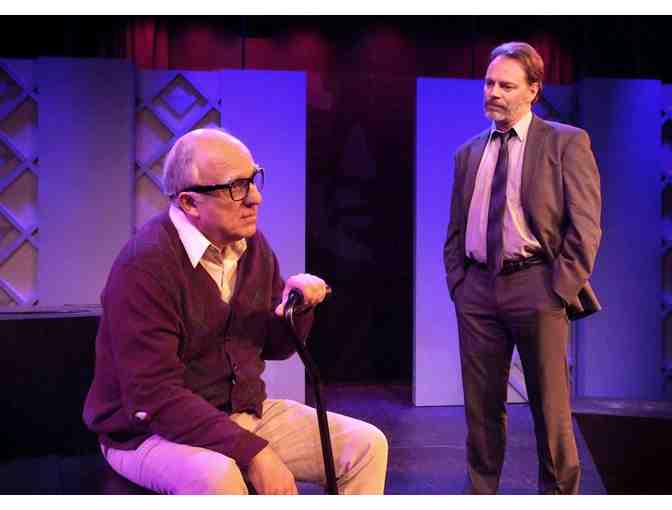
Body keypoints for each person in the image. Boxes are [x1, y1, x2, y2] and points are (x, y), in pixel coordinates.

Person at [83, 128, 388, 495]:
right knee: (220, 478)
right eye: (236, 187)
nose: (255, 198)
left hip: (241, 413)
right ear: (190, 203)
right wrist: (254, 453)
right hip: (148, 432)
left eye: (254, 180)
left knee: (366, 446)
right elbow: (153, 396)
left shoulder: (251, 247)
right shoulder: (145, 266)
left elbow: (274, 347)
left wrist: (298, 309)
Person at [443, 41, 602, 494]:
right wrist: (458, 281)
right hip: (477, 287)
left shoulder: (565, 142)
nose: (493, 92)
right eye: (489, 83)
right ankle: (481, 494)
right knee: (480, 409)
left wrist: (558, 288)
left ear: (533, 90)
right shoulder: (469, 153)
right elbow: (456, 227)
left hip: (536, 284)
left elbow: (586, 225)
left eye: (506, 86)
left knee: (550, 408)